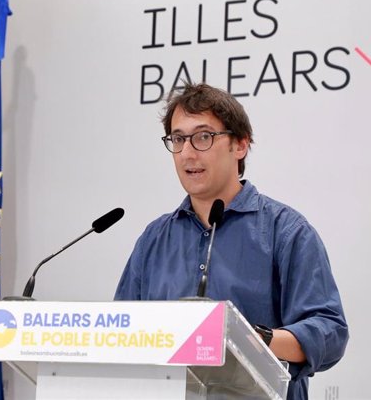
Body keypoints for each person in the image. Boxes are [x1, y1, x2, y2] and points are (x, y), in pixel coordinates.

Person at [114, 83, 348, 400]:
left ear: (240, 145)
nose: (187, 152)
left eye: (203, 137)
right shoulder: (154, 239)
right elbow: (120, 334)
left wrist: (252, 340)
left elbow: (330, 332)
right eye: (178, 138)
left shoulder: (287, 231)